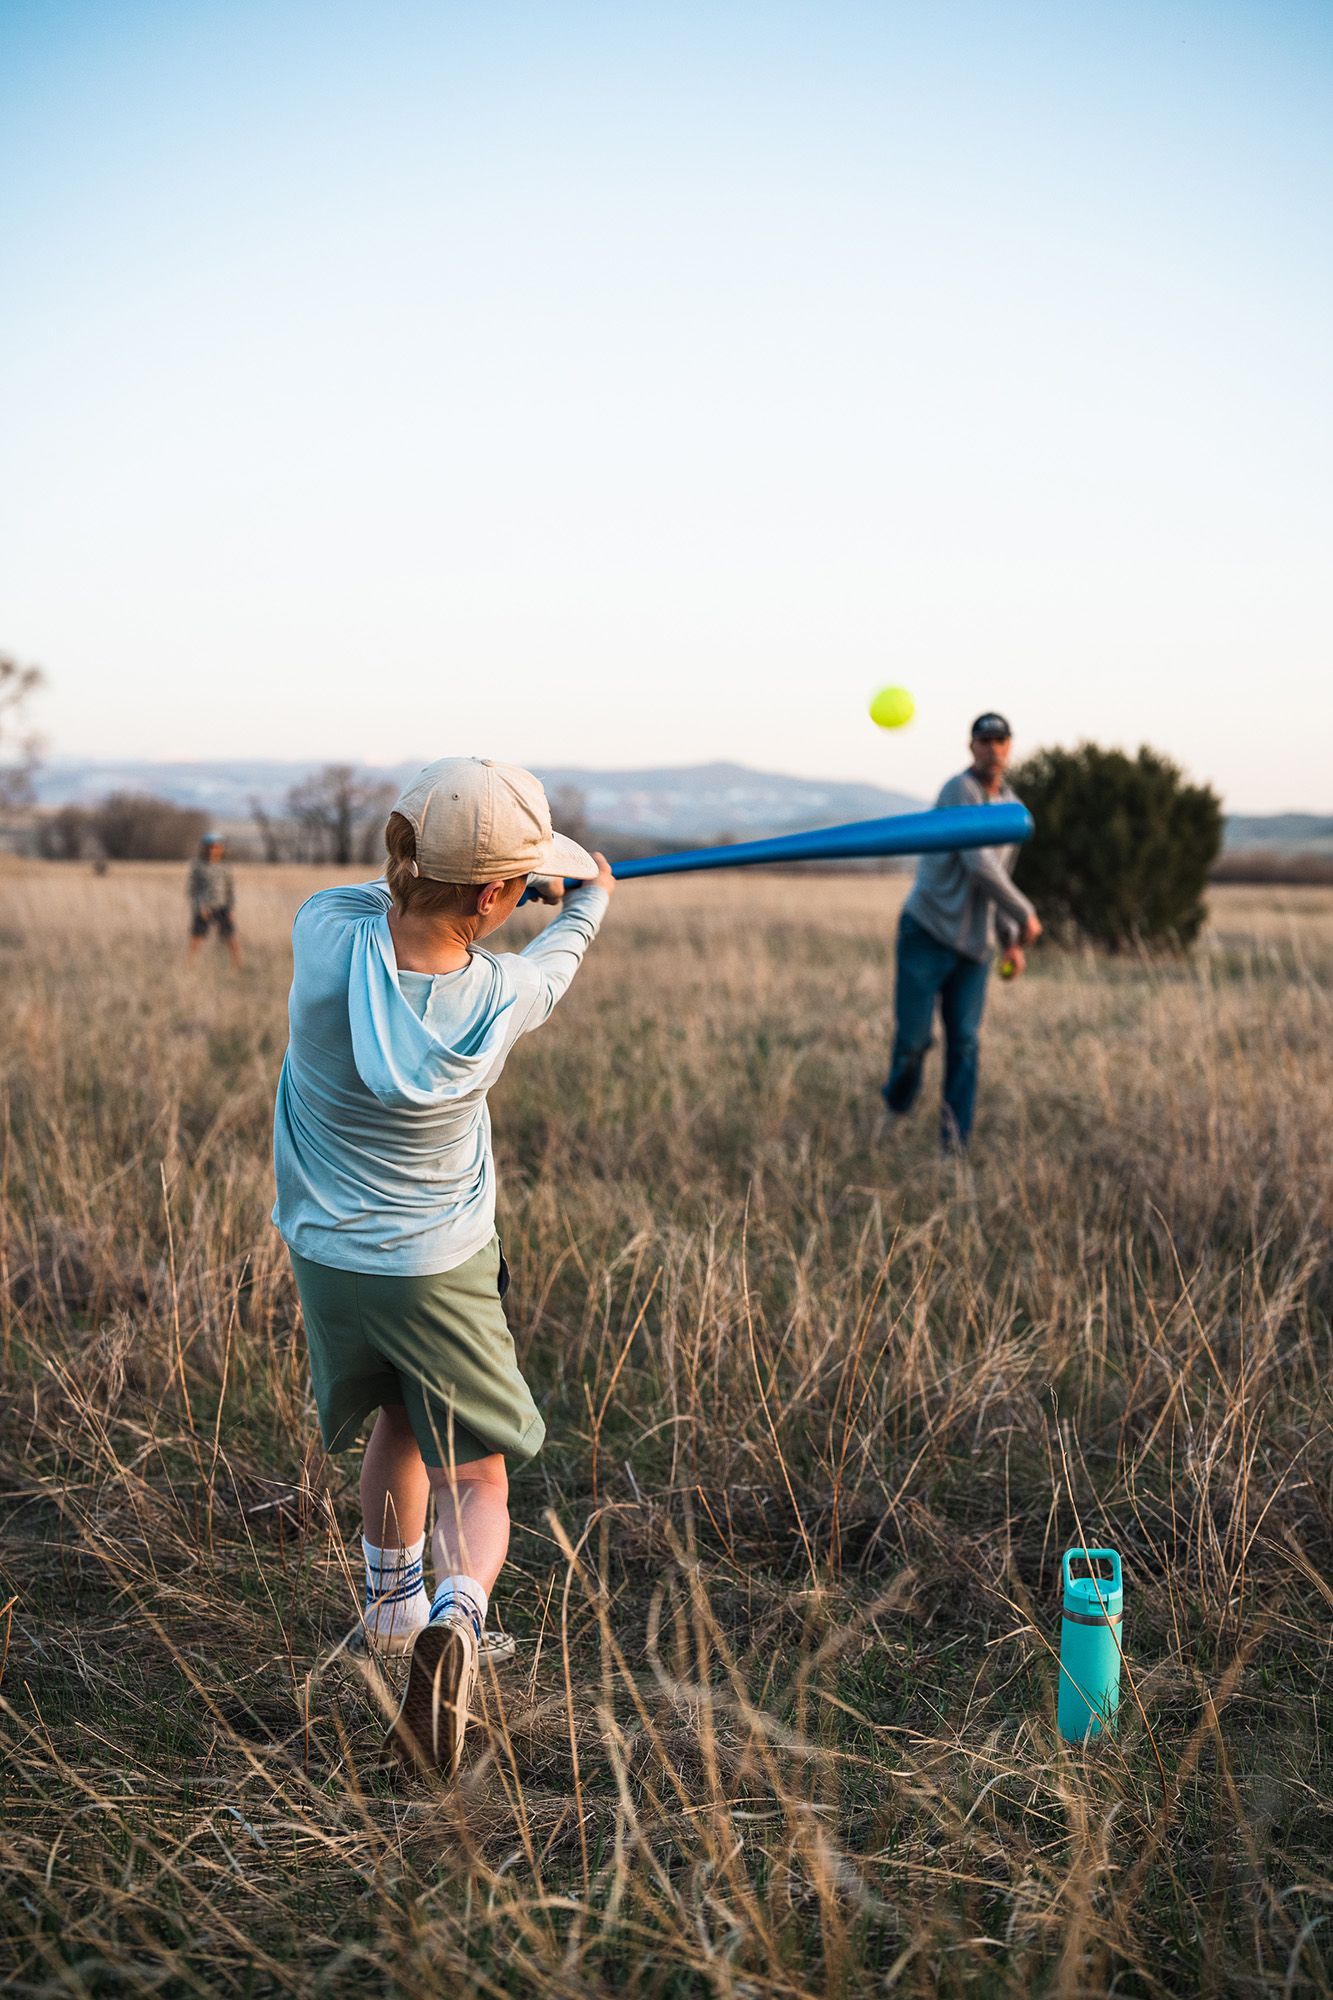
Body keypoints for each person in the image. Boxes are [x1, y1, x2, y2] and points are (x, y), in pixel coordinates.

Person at [272, 756, 614, 1779]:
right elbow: (559, 954)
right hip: (439, 1267)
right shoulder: (497, 996)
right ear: (497, 897)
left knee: (394, 1420)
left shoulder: (321, 933)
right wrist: (582, 899)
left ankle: (387, 1619)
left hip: (329, 1255)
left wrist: (493, 890)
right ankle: (456, 1627)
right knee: (475, 1471)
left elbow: (391, 902)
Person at [883, 713, 1040, 1149]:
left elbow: (1000, 876)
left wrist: (1011, 939)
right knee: (913, 1042)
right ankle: (896, 1104)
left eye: (1000, 740)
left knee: (966, 1045)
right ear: (971, 747)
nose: (993, 748)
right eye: (984, 740)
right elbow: (979, 864)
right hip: (928, 931)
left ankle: (954, 1143)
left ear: (1010, 747)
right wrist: (1027, 913)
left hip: (975, 947)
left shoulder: (1011, 805)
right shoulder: (958, 791)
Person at [187, 833, 241, 967]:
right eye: (210, 847)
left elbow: (230, 890)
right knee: (196, 938)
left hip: (222, 906)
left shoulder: (225, 867)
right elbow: (193, 890)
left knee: (231, 938)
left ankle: (238, 966)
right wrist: (199, 907)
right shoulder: (198, 866)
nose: (213, 850)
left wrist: (230, 909)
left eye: (217, 847)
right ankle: (188, 965)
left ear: (221, 849)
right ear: (205, 848)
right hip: (205, 907)